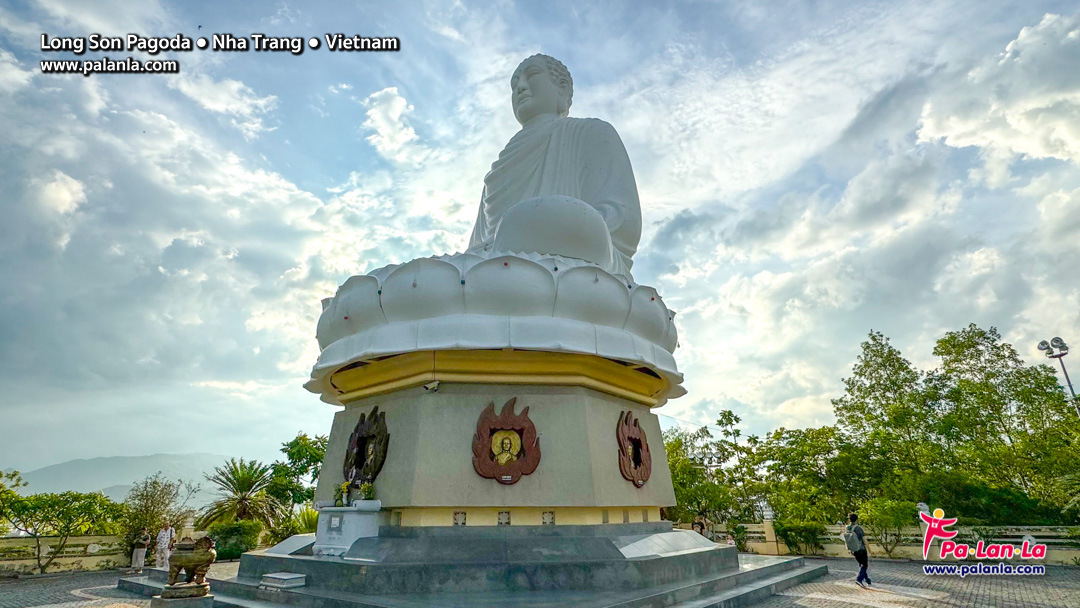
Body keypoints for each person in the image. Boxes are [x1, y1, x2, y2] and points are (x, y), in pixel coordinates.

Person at [467, 54, 643, 280]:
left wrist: (551, 223)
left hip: (577, 259)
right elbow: (478, 247)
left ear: (561, 89)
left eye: (531, 76)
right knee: (440, 270)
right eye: (514, 85)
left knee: (533, 218)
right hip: (496, 267)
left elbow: (623, 223)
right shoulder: (494, 173)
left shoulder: (591, 132)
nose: (520, 87)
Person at [845, 512, 871, 587]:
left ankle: (867, 579)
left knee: (861, 564)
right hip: (861, 549)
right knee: (865, 565)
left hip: (854, 550)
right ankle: (859, 579)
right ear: (856, 519)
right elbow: (864, 540)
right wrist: (869, 549)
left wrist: (850, 549)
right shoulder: (858, 528)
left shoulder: (847, 528)